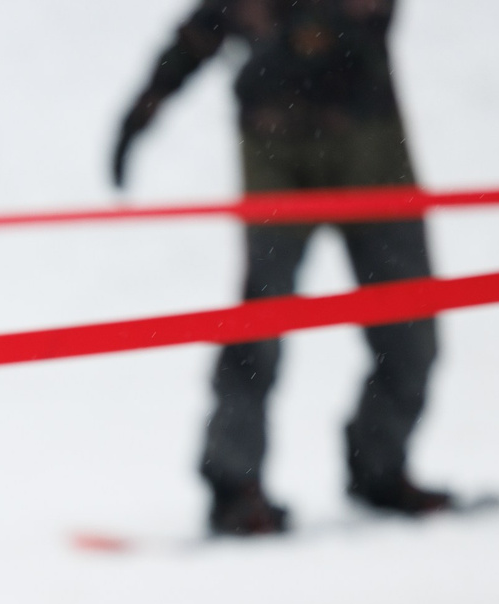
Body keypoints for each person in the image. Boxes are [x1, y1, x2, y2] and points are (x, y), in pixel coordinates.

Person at [113, 0, 452, 536]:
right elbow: (198, 38)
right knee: (259, 323)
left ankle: (380, 467)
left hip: (370, 144)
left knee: (410, 321)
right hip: (276, 148)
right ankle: (234, 485)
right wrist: (142, 111)